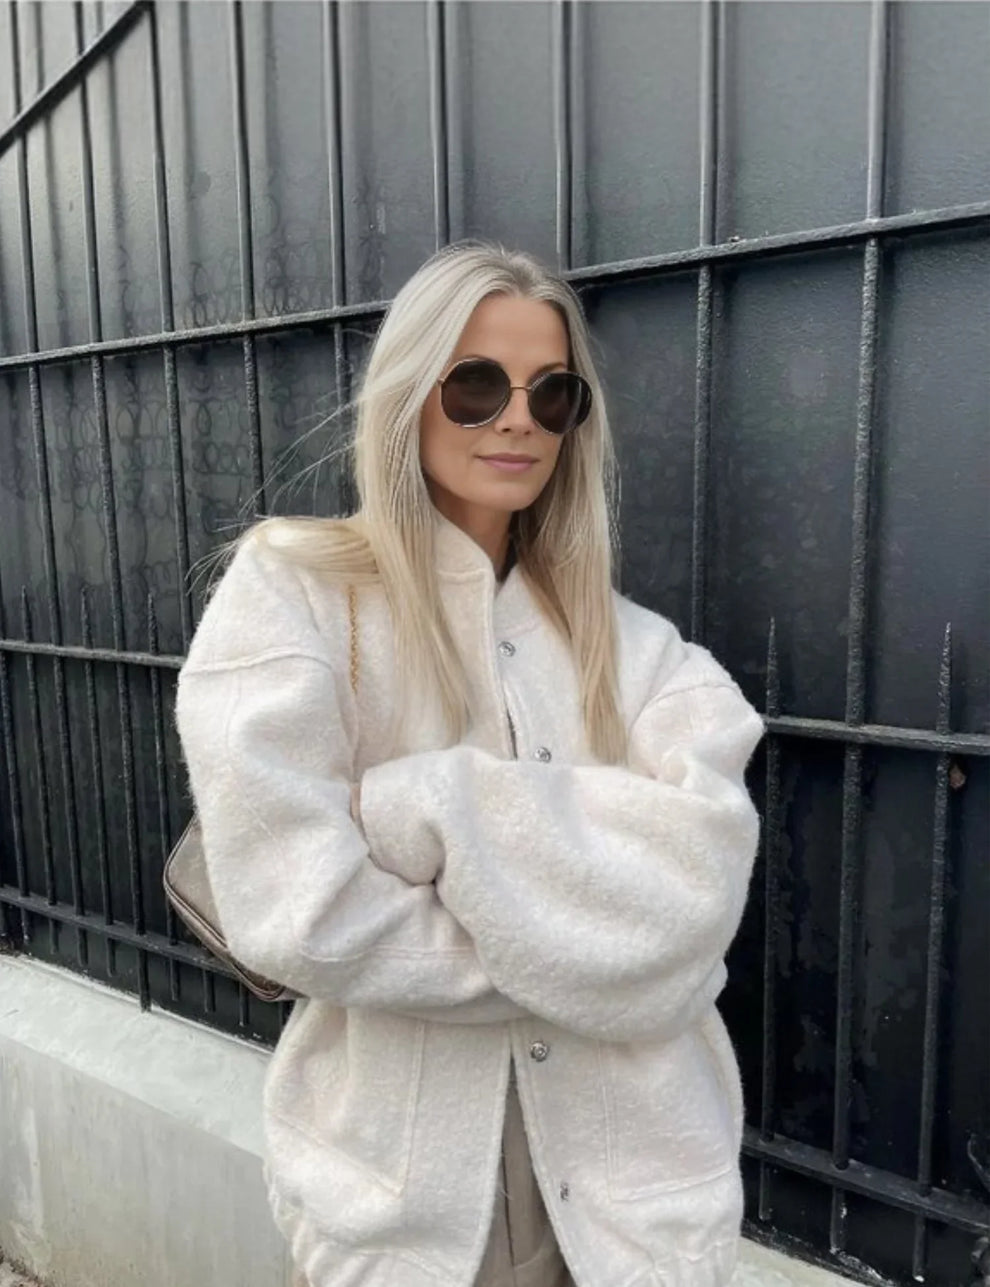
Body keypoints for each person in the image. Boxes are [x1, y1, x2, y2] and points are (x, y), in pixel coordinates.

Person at [174, 240, 766, 1287]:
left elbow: (697, 898)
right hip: (401, 1204)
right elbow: (297, 908)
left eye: (553, 394)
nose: (518, 419)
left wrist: (428, 808)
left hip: (635, 1201)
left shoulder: (642, 655)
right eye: (478, 384)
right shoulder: (294, 594)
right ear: (411, 393)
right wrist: (593, 943)